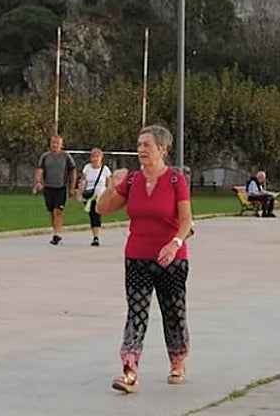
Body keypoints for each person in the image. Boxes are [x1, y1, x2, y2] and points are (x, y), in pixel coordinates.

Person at [94, 124, 193, 394]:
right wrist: (112, 187)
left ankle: (177, 361)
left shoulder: (176, 181)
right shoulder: (132, 181)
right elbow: (102, 209)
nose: (141, 150)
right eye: (139, 145)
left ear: (163, 148)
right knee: (136, 312)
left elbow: (186, 221)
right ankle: (129, 370)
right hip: (137, 257)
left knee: (173, 312)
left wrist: (174, 244)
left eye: (147, 145)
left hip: (171, 259)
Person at [34, 134, 78, 245]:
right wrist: (38, 182)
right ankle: (55, 231)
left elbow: (73, 171)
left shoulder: (66, 157)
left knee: (58, 211)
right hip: (49, 187)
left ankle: (57, 234)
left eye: (57, 143)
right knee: (51, 211)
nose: (55, 145)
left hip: (61, 187)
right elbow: (40, 170)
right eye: (53, 143)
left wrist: (72, 187)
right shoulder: (45, 156)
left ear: (61, 145)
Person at [78, 147, 112, 246]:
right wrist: (80, 193)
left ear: (101, 157)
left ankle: (96, 237)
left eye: (97, 156)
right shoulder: (87, 168)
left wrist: (109, 195)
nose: (95, 159)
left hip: (100, 195)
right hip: (89, 195)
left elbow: (109, 183)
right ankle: (94, 235)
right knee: (92, 215)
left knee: (96, 214)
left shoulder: (105, 169)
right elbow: (83, 181)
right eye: (93, 156)